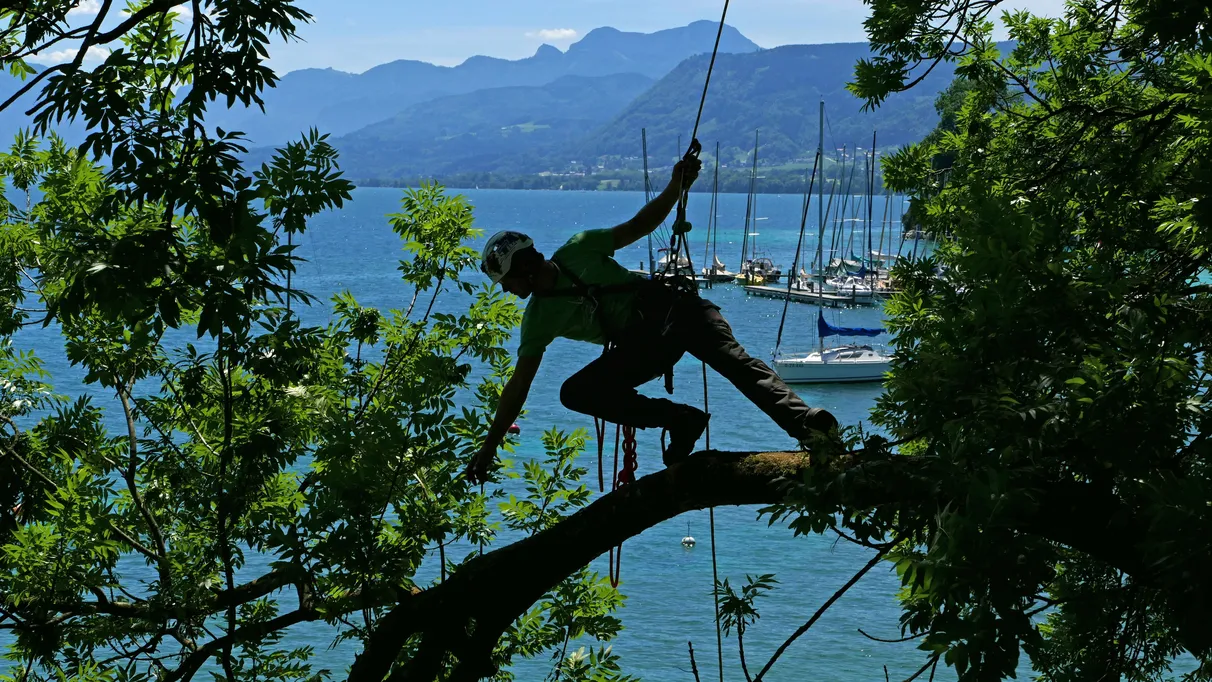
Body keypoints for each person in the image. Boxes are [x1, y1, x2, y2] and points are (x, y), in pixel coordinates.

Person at [465, 158, 838, 484]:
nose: (505, 291)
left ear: (523, 271)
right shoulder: (556, 287)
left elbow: (641, 224)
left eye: (506, 282)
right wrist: (490, 447)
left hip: (662, 326)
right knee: (735, 365)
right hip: (668, 323)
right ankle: (771, 422)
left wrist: (676, 186)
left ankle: (778, 423)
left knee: (729, 364)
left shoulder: (564, 273)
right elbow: (518, 388)